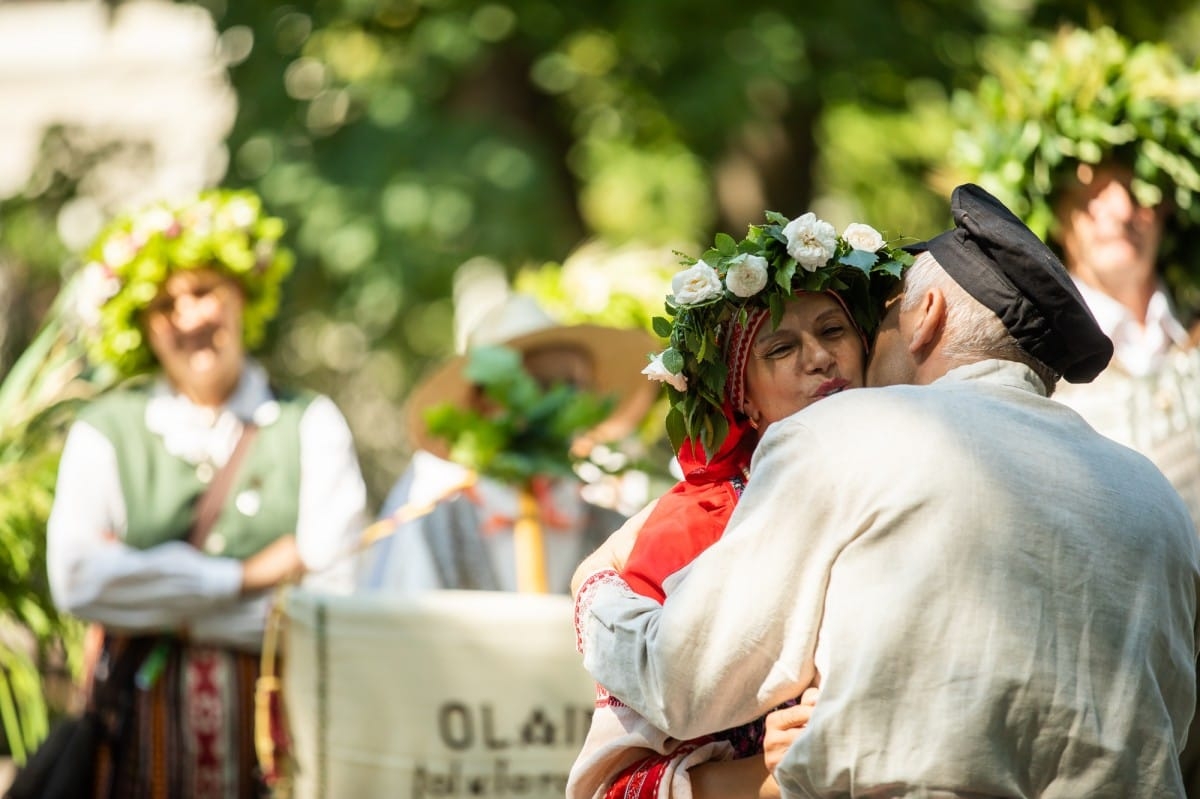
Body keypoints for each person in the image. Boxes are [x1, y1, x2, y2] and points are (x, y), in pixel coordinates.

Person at [572, 184, 1200, 797]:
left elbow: (681, 680)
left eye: (881, 315)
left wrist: (595, 590)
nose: (839, 354)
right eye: (782, 347)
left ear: (926, 318)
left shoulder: (843, 433)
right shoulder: (1156, 497)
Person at [568, 212, 910, 799]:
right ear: (741, 400)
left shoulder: (930, 463)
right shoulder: (693, 527)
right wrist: (770, 776)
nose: (819, 358)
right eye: (782, 347)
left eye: (833, 331)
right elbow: (622, 787)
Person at [45, 189, 368, 798]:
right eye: (166, 304)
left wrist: (151, 596)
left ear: (242, 294)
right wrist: (245, 578)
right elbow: (79, 581)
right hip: (136, 750)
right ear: (143, 323)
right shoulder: (104, 430)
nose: (189, 317)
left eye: (204, 292)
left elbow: (331, 599)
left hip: (279, 748)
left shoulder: (312, 423)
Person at [951, 25, 1200, 529]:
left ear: (1170, 202)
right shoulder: (1028, 361)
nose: (1121, 211)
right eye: (1092, 193)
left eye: (1139, 190)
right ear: (1054, 212)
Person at [359, 292, 657, 594]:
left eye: (572, 386)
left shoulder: (619, 536)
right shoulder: (433, 531)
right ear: (483, 403)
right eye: (538, 385)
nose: (558, 403)